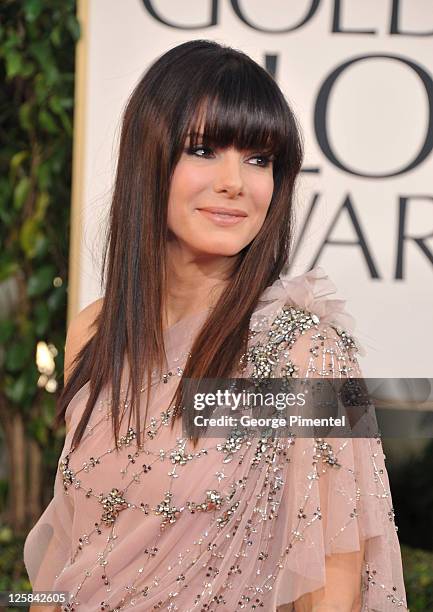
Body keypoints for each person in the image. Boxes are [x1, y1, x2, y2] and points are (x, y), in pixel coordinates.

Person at [24, 39, 407, 611]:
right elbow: (71, 547)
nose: (236, 182)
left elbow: (334, 584)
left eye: (259, 159)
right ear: (147, 159)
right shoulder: (95, 332)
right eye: (203, 149)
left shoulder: (307, 355)